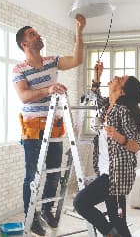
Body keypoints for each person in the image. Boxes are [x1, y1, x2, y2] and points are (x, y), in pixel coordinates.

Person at [12, 14, 86, 236]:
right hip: (33, 128)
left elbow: (76, 60)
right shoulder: (19, 70)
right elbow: (24, 96)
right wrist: (48, 89)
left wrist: (80, 31)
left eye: (37, 33)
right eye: (33, 34)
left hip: (54, 126)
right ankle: (31, 217)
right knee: (32, 175)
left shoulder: (52, 61)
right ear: (25, 44)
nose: (39, 35)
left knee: (53, 172)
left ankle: (46, 210)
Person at [73, 61, 140, 237]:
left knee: (80, 202)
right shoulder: (107, 107)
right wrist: (97, 76)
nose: (115, 77)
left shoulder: (123, 112)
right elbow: (96, 95)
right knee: (118, 221)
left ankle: (110, 234)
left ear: (122, 92)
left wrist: (119, 137)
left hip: (115, 176)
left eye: (120, 79)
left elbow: (136, 145)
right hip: (106, 172)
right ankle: (114, 233)